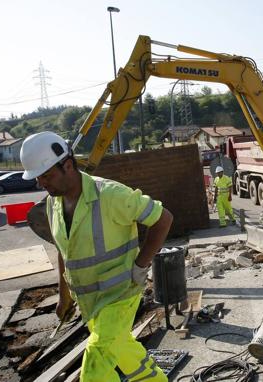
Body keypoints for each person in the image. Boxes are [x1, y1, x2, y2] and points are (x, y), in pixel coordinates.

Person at [20, 131, 173, 382]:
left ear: (67, 165)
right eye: (38, 178)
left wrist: (140, 265)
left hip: (120, 294)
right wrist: (64, 295)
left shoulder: (110, 195)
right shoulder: (52, 204)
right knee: (120, 348)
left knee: (96, 365)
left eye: (46, 176)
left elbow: (163, 218)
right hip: (90, 301)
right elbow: (63, 250)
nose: (41, 184)